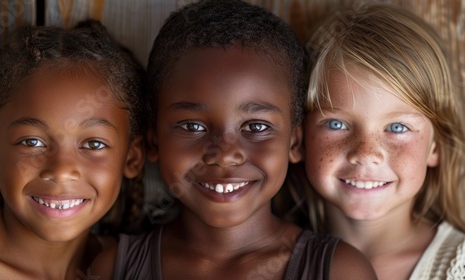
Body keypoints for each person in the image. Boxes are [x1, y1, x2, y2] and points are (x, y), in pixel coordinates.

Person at [92, 1, 377, 279]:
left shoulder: (339, 270)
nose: (225, 153)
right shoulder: (114, 269)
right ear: (153, 141)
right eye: (192, 126)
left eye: (256, 126)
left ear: (294, 143)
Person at [0, 20, 145, 279]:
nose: (61, 171)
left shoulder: (130, 265)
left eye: (93, 144)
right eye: (32, 142)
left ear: (132, 158)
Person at [298, 2, 465, 279]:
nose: (366, 153)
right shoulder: (275, 263)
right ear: (299, 139)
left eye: (397, 127)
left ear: (435, 146)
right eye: (337, 124)